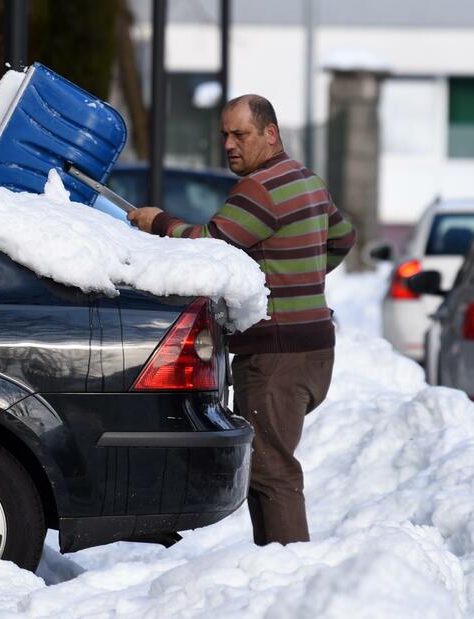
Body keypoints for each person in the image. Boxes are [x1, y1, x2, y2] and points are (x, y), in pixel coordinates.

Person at [127, 94, 355, 546]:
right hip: (314, 352)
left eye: (240, 134)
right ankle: (275, 571)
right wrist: (302, 275)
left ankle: (289, 575)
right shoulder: (308, 181)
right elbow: (344, 238)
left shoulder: (260, 188)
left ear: (270, 133)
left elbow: (210, 244)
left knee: (272, 470)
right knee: (268, 466)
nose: (229, 144)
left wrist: (157, 222)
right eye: (224, 135)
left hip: (276, 356)